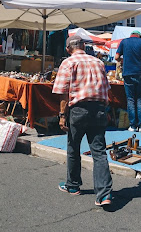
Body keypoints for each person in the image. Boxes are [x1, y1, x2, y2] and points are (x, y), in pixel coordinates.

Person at [53, 35, 113, 206]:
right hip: (98, 109)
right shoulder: (98, 62)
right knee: (99, 152)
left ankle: (73, 185)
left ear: (68, 49)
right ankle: (104, 195)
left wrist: (62, 115)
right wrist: (105, 109)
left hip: (78, 109)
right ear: (84, 46)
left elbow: (63, 92)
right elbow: (105, 90)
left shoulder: (68, 62)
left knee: (73, 146)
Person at [115, 30, 141, 132]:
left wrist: (123, 61)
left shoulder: (124, 42)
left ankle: (133, 126)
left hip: (128, 74)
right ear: (139, 35)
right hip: (140, 73)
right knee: (140, 99)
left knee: (130, 99)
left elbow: (116, 57)